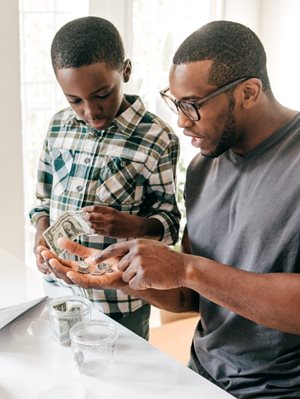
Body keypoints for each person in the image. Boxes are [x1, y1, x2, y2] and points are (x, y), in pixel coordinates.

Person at [38, 20, 300, 398]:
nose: (180, 120)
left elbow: (192, 271)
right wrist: (126, 277)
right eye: (175, 103)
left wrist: (184, 267)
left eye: (192, 106)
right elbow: (193, 296)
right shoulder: (201, 168)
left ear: (248, 92)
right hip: (203, 374)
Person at [29, 16, 181, 340]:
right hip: (59, 292)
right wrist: (41, 236)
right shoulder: (58, 127)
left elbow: (169, 222)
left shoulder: (158, 138)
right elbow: (42, 200)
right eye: (75, 101)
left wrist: (132, 226)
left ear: (125, 71)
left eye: (101, 94)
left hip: (121, 303)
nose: (90, 111)